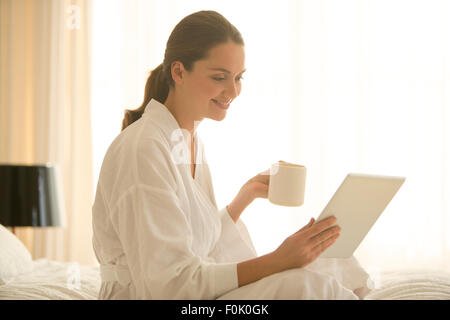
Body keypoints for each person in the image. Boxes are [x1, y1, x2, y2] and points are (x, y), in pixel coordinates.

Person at [92, 10, 372, 300]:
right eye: (219, 77)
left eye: (238, 78)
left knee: (335, 262)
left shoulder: (187, 140)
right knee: (304, 286)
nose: (233, 91)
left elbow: (199, 247)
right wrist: (278, 261)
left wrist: (243, 198)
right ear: (178, 72)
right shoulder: (143, 149)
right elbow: (170, 285)